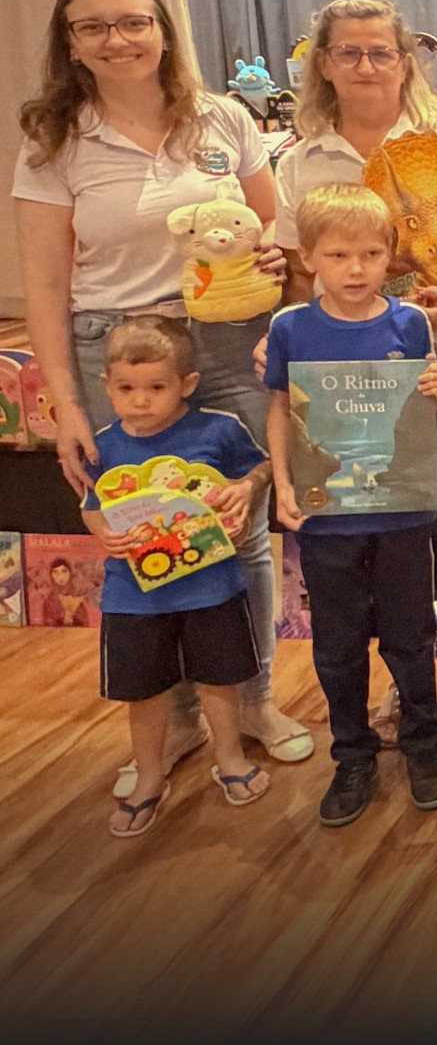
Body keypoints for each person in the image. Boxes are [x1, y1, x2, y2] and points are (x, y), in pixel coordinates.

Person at [13, 0, 311, 795]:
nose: (118, 40)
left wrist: (270, 257)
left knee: (239, 522)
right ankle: (180, 718)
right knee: (145, 523)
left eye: (133, 22)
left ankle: (250, 700)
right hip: (118, 353)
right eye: (94, 27)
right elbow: (44, 284)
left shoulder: (221, 116)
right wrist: (67, 404)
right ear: (71, 43)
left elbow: (269, 226)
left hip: (225, 338)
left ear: (162, 30)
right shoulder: (55, 139)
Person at [274, 0, 437, 736]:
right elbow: (294, 276)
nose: (365, 65)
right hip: (346, 385)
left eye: (380, 52)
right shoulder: (302, 161)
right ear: (323, 64)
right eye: (348, 52)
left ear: (405, 62)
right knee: (379, 535)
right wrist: (287, 340)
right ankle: (406, 678)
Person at [264, 184, 437, 826]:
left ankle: (423, 745)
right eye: (338, 255)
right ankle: (352, 755)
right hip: (327, 519)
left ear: (389, 255)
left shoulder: (411, 322)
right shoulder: (290, 327)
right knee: (338, 643)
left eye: (371, 254)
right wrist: (282, 483)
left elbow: (425, 402)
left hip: (402, 514)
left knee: (411, 636)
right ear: (308, 257)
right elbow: (280, 410)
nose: (356, 269)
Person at [81, 317, 274, 836]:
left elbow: (259, 469)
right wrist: (103, 534)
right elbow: (92, 505)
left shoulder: (219, 429)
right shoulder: (103, 445)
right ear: (107, 385)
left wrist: (244, 490)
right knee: (143, 692)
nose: (140, 401)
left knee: (221, 680)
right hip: (133, 597)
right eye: (126, 388)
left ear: (187, 384)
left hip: (213, 587)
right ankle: (149, 775)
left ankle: (230, 758)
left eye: (156, 387)